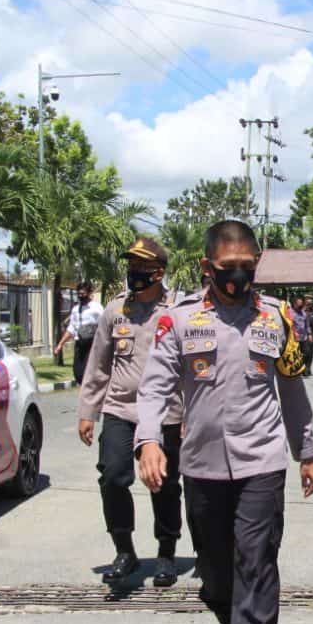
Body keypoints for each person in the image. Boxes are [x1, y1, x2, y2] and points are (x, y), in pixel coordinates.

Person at [135, 219, 313, 624]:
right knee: (216, 571)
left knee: (257, 560)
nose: (237, 277)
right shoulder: (178, 320)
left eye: (246, 267)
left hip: (262, 461)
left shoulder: (278, 317)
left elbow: (293, 388)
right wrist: (149, 440)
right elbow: (153, 390)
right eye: (226, 269)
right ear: (206, 268)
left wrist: (305, 449)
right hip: (202, 465)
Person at [76, 238, 183, 588]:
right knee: (112, 476)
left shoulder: (178, 309)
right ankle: (125, 550)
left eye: (141, 267)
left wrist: (191, 416)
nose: (134, 272)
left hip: (168, 412)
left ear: (159, 272)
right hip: (121, 408)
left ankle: (166, 553)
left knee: (164, 484)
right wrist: (88, 411)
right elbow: (99, 364)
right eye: (131, 266)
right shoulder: (115, 310)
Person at [54, 280, 102, 384]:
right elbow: (71, 329)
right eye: (79, 294)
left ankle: (91, 394)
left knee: (90, 371)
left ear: (89, 293)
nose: (81, 296)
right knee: (78, 372)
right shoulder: (76, 309)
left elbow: (104, 325)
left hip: (92, 344)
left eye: (83, 294)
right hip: (80, 344)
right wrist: (60, 345)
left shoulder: (96, 308)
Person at [290, 295, 312, 377]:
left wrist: (309, 334)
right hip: (294, 338)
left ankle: (304, 368)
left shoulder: (304, 313)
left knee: (307, 353)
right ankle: (298, 370)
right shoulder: (290, 313)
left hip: (304, 337)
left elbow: (307, 325)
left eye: (301, 304)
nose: (300, 305)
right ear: (294, 304)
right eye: (298, 304)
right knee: (296, 355)